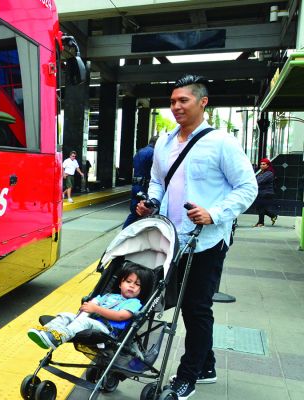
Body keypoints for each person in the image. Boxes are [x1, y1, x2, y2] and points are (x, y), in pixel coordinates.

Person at [135, 75, 257, 400]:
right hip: (171, 238)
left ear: (203, 102)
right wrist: (152, 202)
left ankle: (188, 376)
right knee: (166, 300)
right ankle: (207, 365)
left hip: (206, 241)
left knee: (195, 309)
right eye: (173, 101)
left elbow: (248, 187)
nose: (176, 107)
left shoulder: (222, 143)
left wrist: (214, 213)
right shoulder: (163, 142)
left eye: (183, 101)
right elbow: (157, 181)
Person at [27, 262, 153, 349]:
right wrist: (88, 306)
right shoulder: (109, 296)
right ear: (120, 284)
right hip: (90, 320)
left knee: (84, 322)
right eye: (128, 281)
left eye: (137, 284)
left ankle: (60, 336)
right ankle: (48, 333)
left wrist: (95, 309)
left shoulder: (134, 303)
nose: (131, 285)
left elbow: (120, 316)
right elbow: (94, 303)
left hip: (107, 330)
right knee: (65, 315)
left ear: (142, 290)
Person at [124, 136, 159, 228]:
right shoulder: (154, 153)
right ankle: (125, 233)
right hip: (145, 185)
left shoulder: (139, 152)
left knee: (136, 209)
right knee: (143, 210)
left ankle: (125, 231)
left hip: (136, 184)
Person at [254, 157, 277, 227]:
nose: (262, 165)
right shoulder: (261, 173)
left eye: (264, 164)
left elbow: (259, 181)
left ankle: (261, 223)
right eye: (261, 164)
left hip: (266, 193)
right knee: (259, 207)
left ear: (268, 165)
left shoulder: (269, 173)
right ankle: (273, 215)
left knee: (260, 207)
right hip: (260, 192)